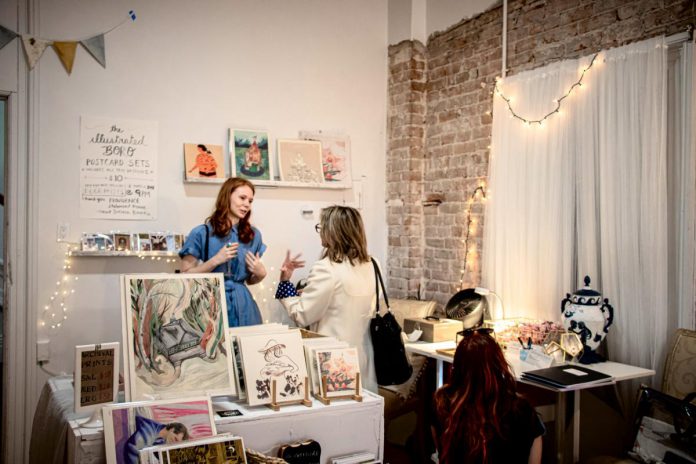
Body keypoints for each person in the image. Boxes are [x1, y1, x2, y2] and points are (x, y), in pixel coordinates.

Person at [274, 205, 378, 393]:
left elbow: (302, 315)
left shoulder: (326, 268)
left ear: (333, 231)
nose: (319, 231)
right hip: (364, 357)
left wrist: (285, 284)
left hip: (333, 362)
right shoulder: (373, 264)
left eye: (321, 227)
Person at [431, 329, 544, 464]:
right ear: (499, 365)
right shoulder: (522, 410)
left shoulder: (442, 405)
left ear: (457, 367)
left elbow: (442, 451)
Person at [180, 177, 267, 327]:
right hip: (211, 305)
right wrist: (216, 260)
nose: (246, 204)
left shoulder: (253, 235)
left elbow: (249, 280)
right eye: (242, 198)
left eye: (250, 201)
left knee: (247, 348)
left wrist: (260, 274)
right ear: (227, 196)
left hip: (245, 308)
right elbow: (185, 276)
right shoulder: (202, 232)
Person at [123, 417, 188, 464]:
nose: (173, 444)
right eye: (175, 439)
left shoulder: (162, 440)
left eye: (176, 445)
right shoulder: (148, 431)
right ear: (172, 429)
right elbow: (132, 449)